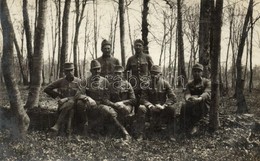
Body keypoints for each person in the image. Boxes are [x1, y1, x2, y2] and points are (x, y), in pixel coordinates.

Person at [76, 60, 131, 140]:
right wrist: (88, 98)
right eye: (94, 69)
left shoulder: (105, 81)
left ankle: (124, 131)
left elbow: (107, 97)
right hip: (89, 106)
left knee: (108, 111)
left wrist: (115, 104)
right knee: (80, 103)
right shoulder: (86, 81)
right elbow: (78, 94)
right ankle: (85, 125)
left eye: (98, 69)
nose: (97, 71)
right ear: (91, 70)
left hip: (101, 105)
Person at [139, 65, 177, 139]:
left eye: (156, 74)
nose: (154, 76)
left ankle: (171, 134)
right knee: (141, 108)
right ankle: (140, 133)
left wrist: (164, 106)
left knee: (172, 109)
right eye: (152, 73)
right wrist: (151, 106)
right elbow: (143, 99)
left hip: (162, 109)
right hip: (150, 110)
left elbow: (173, 98)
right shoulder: (146, 84)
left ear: (160, 74)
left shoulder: (165, 84)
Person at [43, 62, 81, 135]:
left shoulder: (79, 81)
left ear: (74, 70)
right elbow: (47, 89)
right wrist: (58, 96)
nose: (69, 72)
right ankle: (68, 130)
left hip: (76, 105)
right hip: (63, 105)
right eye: (67, 71)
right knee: (70, 108)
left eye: (71, 70)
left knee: (72, 104)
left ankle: (57, 125)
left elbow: (81, 94)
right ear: (64, 72)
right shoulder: (60, 81)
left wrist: (66, 99)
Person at [180, 63, 211, 135]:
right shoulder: (189, 83)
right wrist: (188, 98)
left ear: (202, 73)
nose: (196, 73)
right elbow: (187, 93)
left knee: (200, 105)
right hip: (192, 102)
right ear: (192, 72)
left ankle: (196, 125)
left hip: (203, 103)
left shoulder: (206, 82)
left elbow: (207, 92)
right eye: (195, 71)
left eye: (199, 71)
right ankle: (183, 125)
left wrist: (199, 98)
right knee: (184, 105)